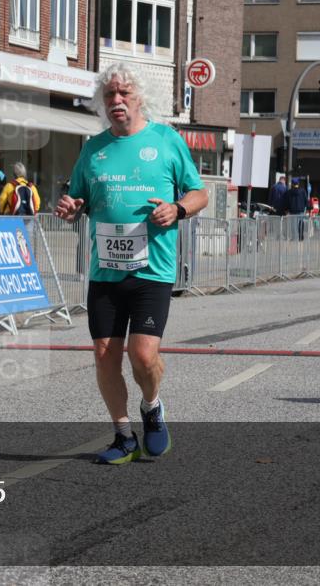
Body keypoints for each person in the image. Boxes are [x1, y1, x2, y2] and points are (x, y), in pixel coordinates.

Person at [55, 62, 208, 465]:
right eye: (110, 95)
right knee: (105, 354)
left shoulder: (166, 140)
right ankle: (123, 435)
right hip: (105, 271)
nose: (116, 101)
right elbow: (77, 200)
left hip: (152, 270)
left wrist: (178, 209)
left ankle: (152, 406)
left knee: (142, 357)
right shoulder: (93, 148)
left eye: (124, 93)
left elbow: (199, 193)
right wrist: (70, 208)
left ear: (141, 97)